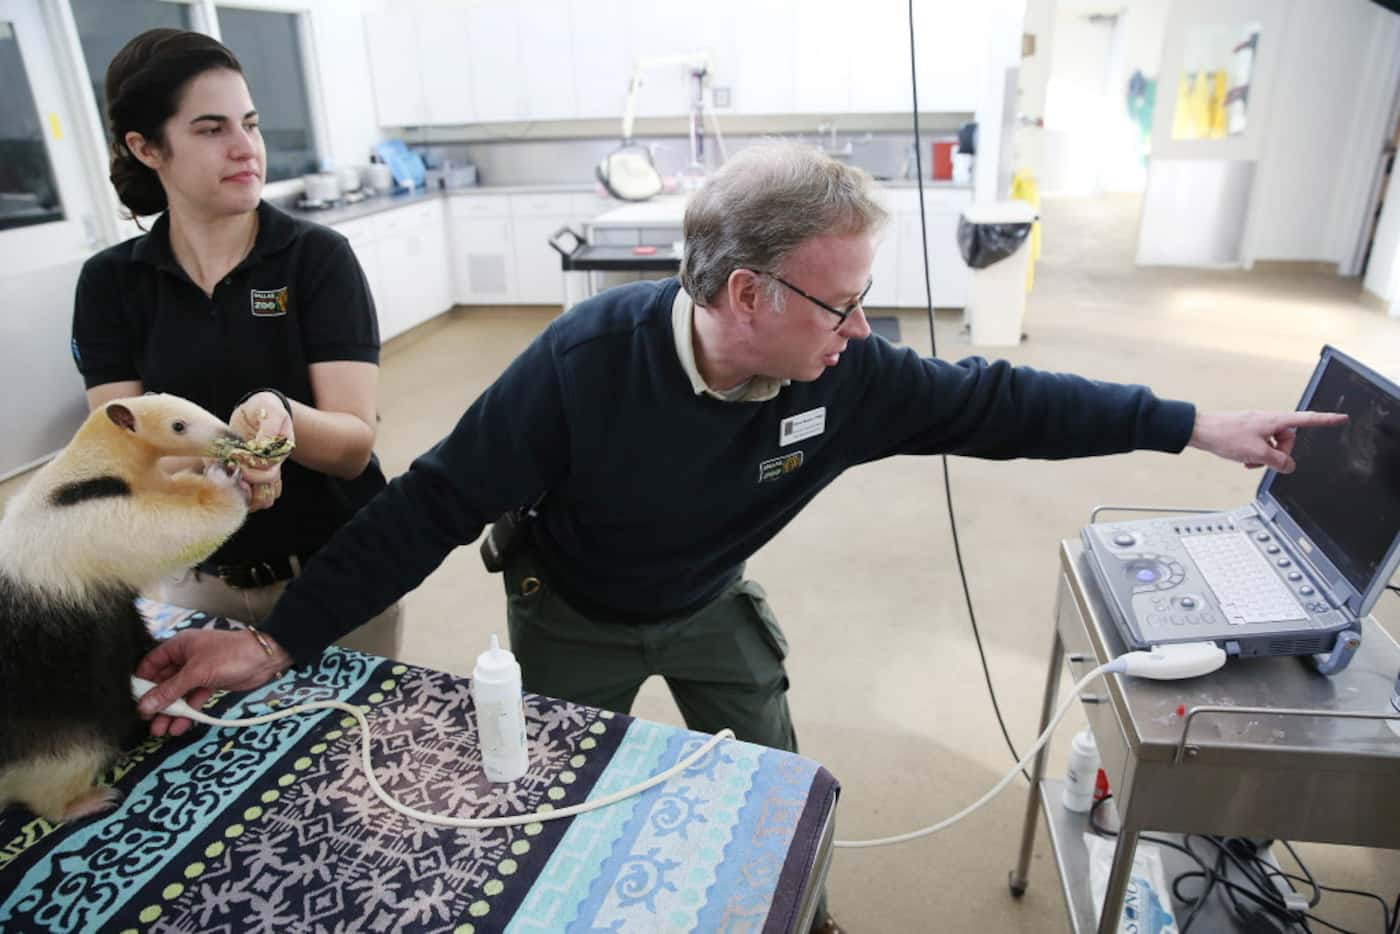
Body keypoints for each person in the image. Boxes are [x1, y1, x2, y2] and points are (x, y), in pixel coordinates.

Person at [133, 142, 1342, 934]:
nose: (864, 328)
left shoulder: (849, 373)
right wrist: (283, 641)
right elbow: (430, 504)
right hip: (569, 609)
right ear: (746, 295)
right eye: (841, 299)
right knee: (550, 800)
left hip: (709, 600)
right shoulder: (579, 370)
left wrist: (1194, 423)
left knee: (778, 781)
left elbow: (1001, 403)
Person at [71, 28, 401, 657]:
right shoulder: (111, 283)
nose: (245, 148)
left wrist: (280, 417)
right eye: (211, 128)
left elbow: (354, 447)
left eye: (249, 123)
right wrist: (222, 458)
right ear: (146, 148)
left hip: (337, 574)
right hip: (197, 583)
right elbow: (123, 448)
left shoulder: (315, 259)